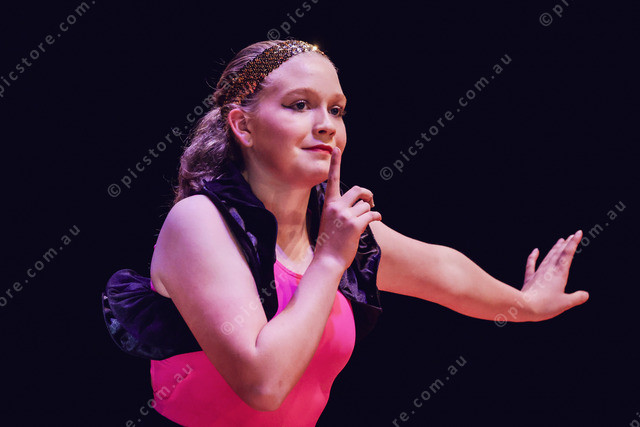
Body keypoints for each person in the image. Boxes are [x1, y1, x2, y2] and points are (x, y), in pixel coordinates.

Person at [106, 39, 589, 426]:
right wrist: (330, 260)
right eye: (300, 105)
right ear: (243, 126)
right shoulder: (199, 221)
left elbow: (443, 270)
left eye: (336, 110)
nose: (326, 125)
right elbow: (262, 385)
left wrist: (526, 305)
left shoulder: (329, 226)